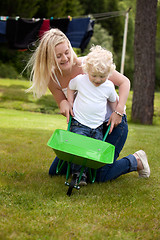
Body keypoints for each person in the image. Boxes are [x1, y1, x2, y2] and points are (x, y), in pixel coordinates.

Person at [26, 28, 150, 184]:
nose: (65, 58)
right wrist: (64, 103)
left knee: (99, 175)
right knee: (56, 171)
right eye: (58, 56)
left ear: (70, 47)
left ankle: (136, 160)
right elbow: (62, 102)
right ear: (49, 58)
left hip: (111, 125)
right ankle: (86, 168)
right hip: (82, 128)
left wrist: (118, 111)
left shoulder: (90, 64)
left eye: (66, 52)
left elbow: (125, 82)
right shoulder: (53, 79)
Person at [67, 45, 117, 185]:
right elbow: (70, 87)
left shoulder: (108, 86)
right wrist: (70, 101)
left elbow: (113, 101)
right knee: (79, 148)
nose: (97, 80)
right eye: (94, 75)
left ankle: (88, 173)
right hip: (79, 123)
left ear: (108, 73)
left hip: (97, 126)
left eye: (102, 76)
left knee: (94, 151)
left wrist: (115, 113)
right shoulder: (81, 80)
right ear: (87, 70)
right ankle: (78, 175)